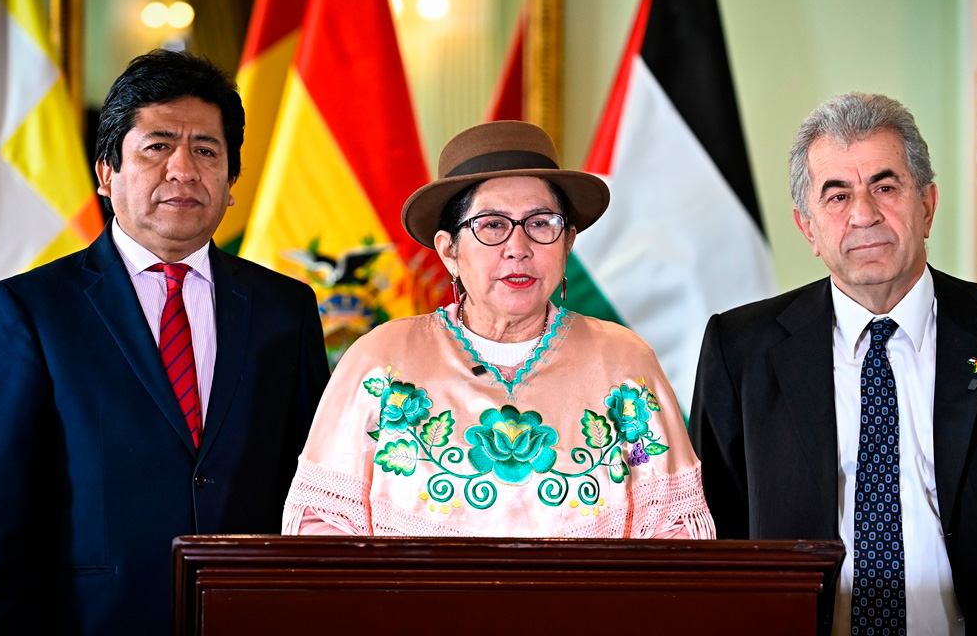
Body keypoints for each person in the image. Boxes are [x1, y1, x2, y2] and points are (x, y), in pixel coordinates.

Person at [689, 92, 977, 635]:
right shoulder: (739, 350)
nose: (864, 215)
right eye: (837, 196)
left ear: (926, 205)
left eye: (885, 186)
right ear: (807, 226)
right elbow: (718, 523)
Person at [0, 50, 330, 635]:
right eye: (157, 146)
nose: (183, 170)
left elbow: (314, 493)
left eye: (207, 150)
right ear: (107, 173)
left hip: (253, 618)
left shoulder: (287, 308)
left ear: (232, 182)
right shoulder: (32, 309)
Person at [280, 121, 713, 538]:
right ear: (449, 251)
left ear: (568, 244)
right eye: (491, 225)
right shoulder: (379, 363)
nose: (518, 248)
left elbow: (672, 537)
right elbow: (322, 533)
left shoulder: (624, 363)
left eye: (541, 223)